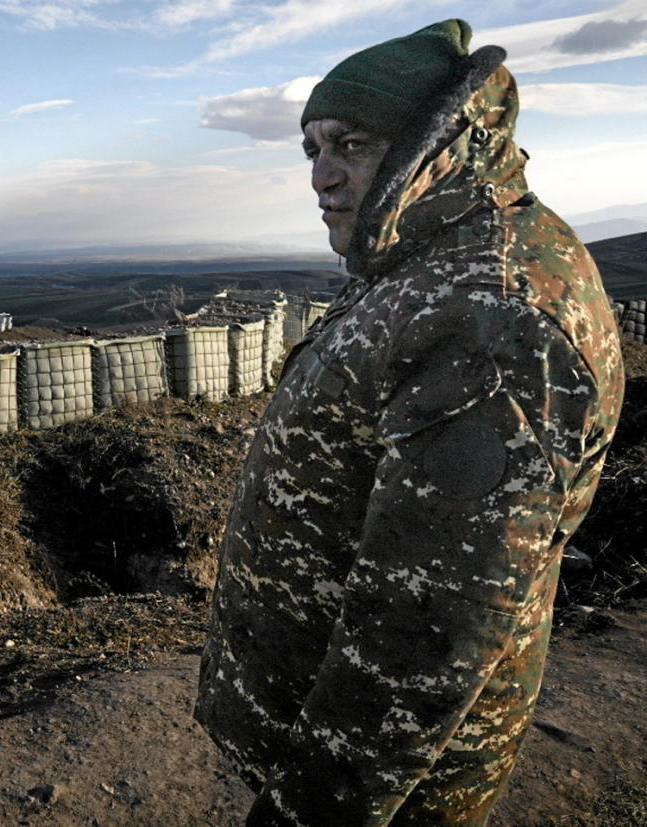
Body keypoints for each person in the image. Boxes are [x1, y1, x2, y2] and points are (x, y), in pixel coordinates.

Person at [194, 19, 624, 826]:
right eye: (310, 149)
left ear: (439, 144)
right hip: (324, 729)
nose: (321, 176)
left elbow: (427, 628)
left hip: (387, 783)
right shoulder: (426, 260)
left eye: (350, 145)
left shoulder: (495, 316)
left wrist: (311, 808)